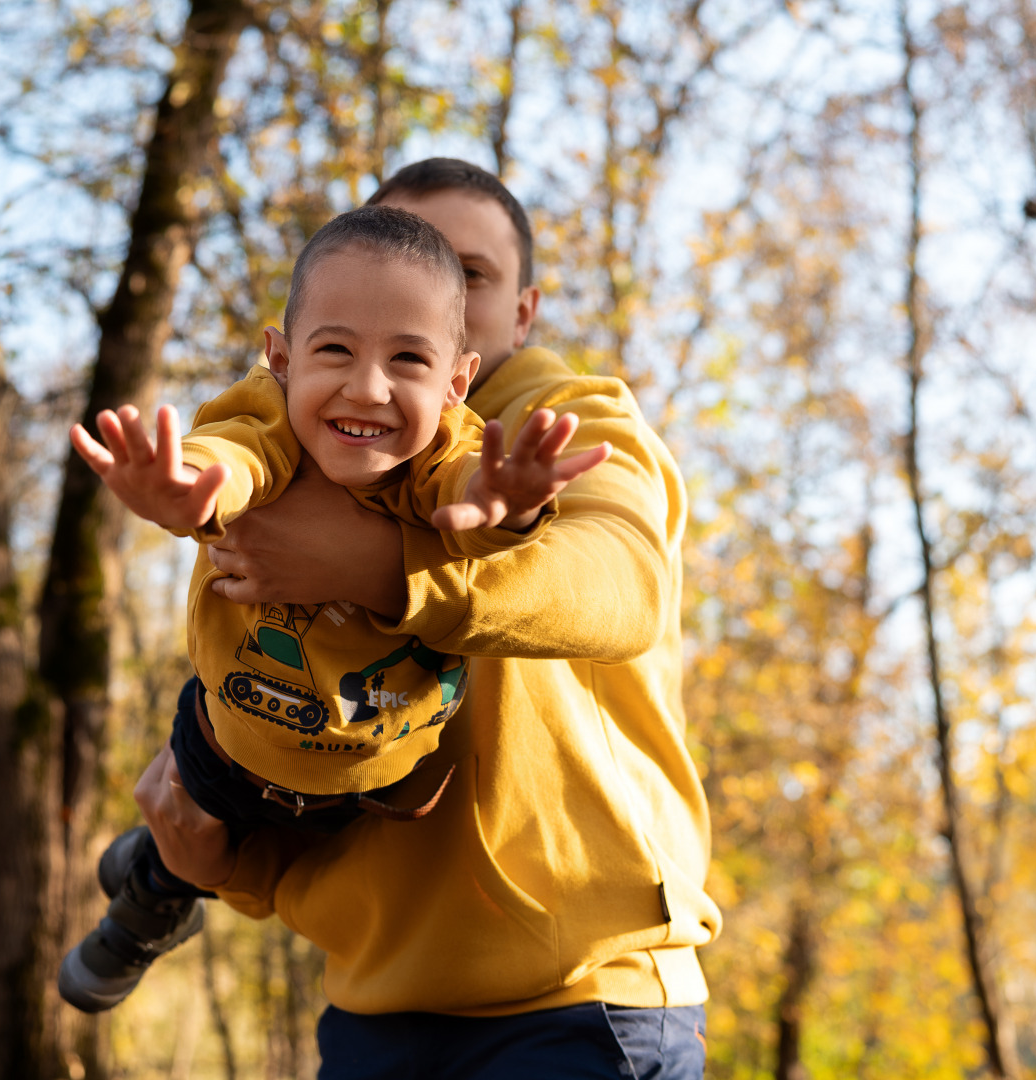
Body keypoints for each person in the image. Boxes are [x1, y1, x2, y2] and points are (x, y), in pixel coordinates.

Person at [135, 159, 721, 1079]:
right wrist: (227, 862)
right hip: (375, 1007)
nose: (421, 280)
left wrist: (382, 569)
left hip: (580, 996)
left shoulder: (568, 423)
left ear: (516, 316)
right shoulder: (295, 455)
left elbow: (620, 589)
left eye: (467, 270)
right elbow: (318, 744)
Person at [58, 205, 607, 1012]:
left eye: (408, 360)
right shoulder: (270, 422)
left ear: (456, 382)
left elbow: (462, 493)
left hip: (383, 779)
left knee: (240, 840)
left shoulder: (450, 448)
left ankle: (156, 853)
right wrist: (187, 490)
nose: (368, 387)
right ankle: (147, 908)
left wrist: (506, 503)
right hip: (234, 740)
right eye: (335, 351)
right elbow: (234, 456)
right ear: (280, 359)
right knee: (189, 839)